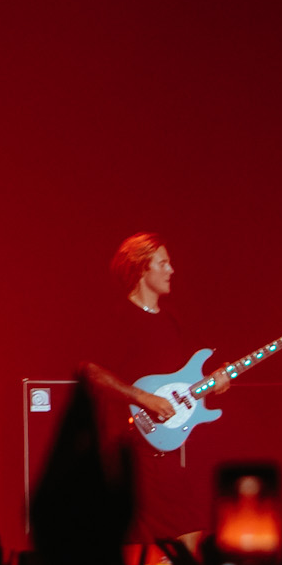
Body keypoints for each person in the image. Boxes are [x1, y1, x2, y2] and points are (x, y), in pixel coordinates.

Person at [80, 232, 228, 544]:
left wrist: (216, 381)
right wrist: (141, 396)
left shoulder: (173, 320)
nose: (171, 270)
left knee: (192, 530)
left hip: (166, 449)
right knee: (133, 541)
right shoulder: (117, 317)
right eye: (163, 263)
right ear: (142, 269)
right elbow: (92, 371)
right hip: (128, 449)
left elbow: (191, 376)